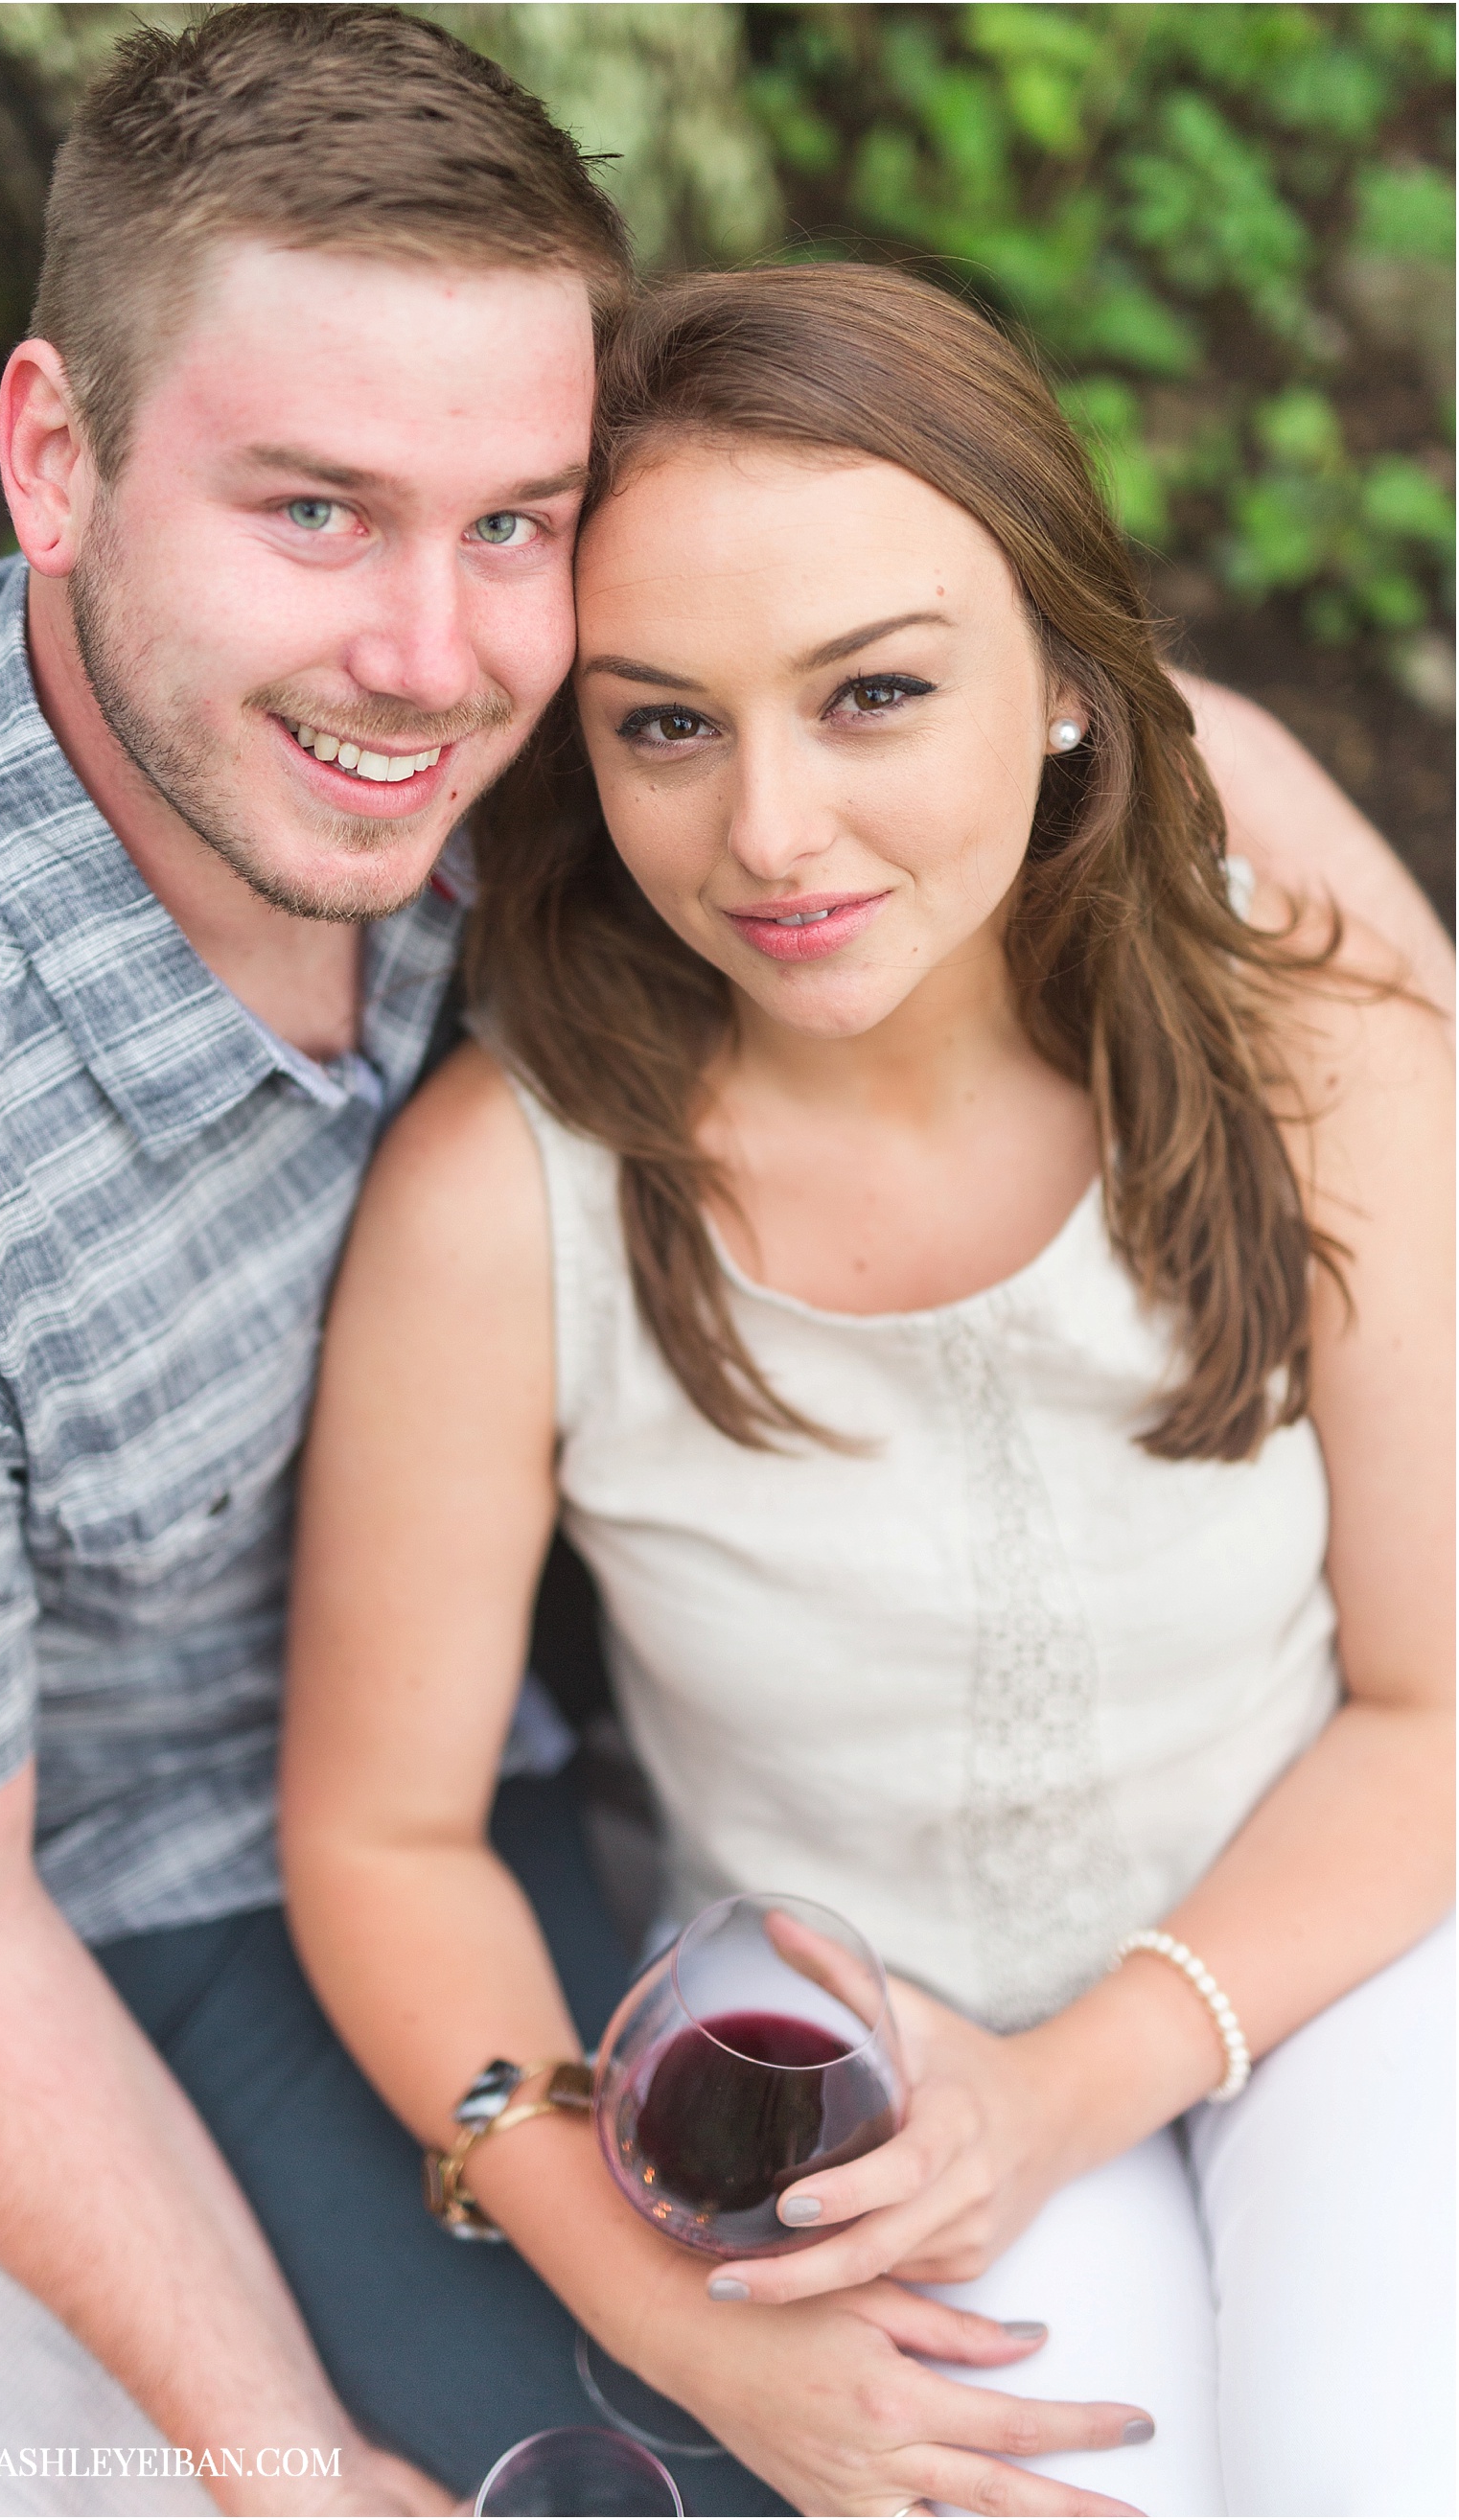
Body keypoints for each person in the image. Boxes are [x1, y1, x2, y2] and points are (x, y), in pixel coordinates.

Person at [0, 7, 1447, 2509]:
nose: (434, 659)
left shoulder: (597, 719)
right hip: (200, 1849)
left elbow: (903, 646)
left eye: (506, 521)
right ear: (53, 454)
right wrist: (283, 2445)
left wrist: (1148, 796)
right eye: (312, 507)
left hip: (993, 1860)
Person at [279, 265, 1455, 2520]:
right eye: (661, 725)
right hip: (865, 2076)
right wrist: (645, 2292)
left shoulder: (1317, 1058)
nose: (774, 836)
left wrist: (1089, 2074)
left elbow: (1432, 1701)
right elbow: (378, 1832)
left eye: (874, 693)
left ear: (1065, 690)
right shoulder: (500, 1207)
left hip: (1344, 1941)